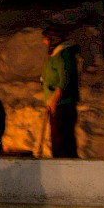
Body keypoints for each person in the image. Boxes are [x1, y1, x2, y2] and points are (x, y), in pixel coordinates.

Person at [41, 23, 81, 158]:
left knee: (63, 139)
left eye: (46, 39)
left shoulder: (64, 54)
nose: (44, 42)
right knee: (58, 139)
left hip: (63, 104)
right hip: (56, 105)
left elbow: (65, 79)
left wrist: (54, 98)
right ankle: (60, 164)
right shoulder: (55, 55)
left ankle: (66, 167)